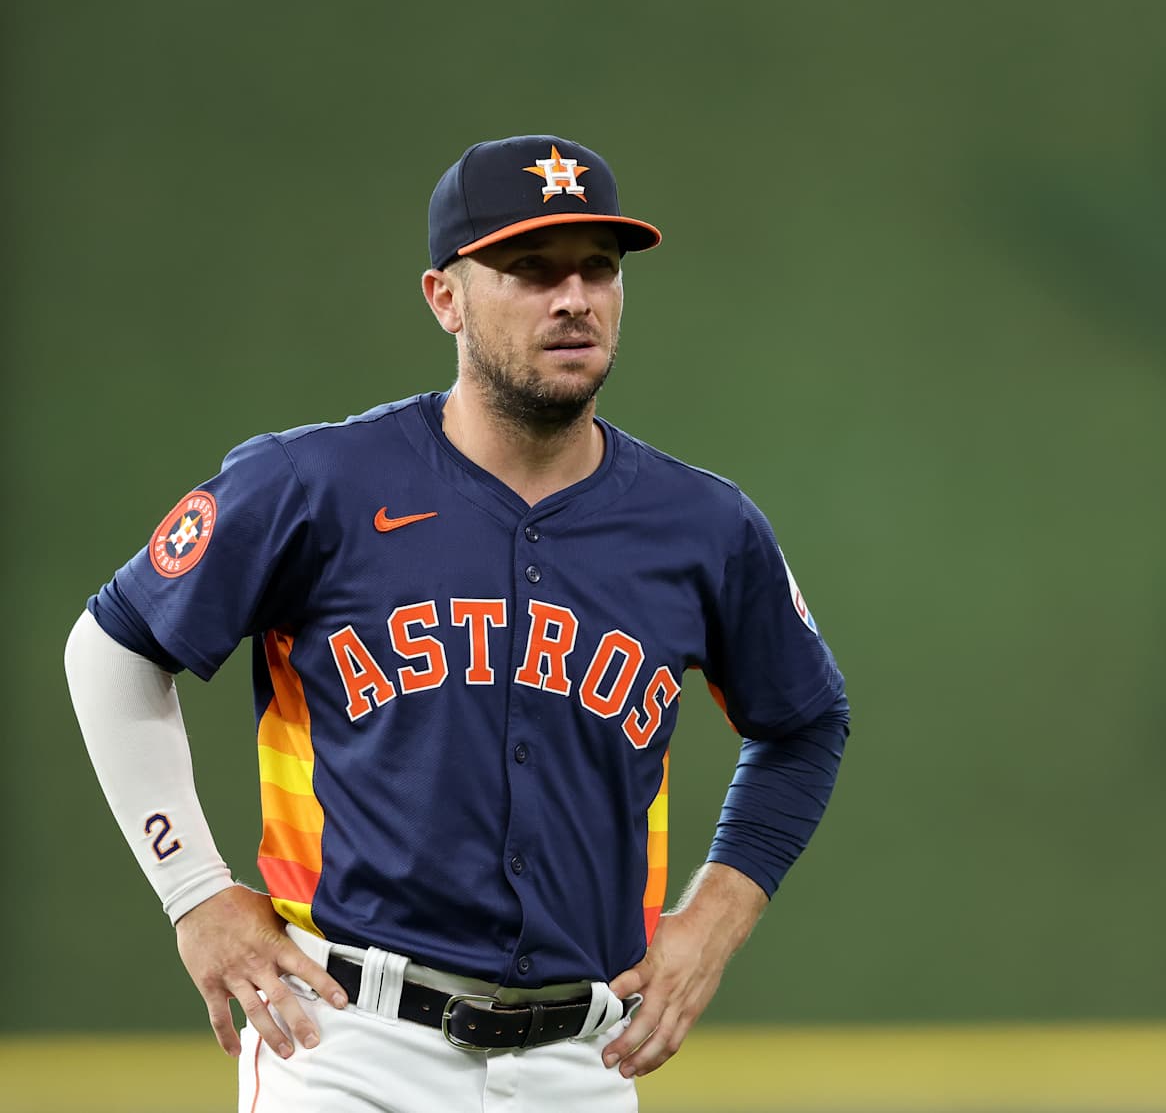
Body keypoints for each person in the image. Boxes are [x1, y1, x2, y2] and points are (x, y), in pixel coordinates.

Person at [63, 134, 850, 1111]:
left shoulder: (704, 526)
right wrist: (194, 891)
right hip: (349, 1040)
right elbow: (112, 647)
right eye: (530, 270)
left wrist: (719, 913)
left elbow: (806, 721)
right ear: (445, 297)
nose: (574, 297)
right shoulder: (317, 486)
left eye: (597, 269)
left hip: (583, 1060)